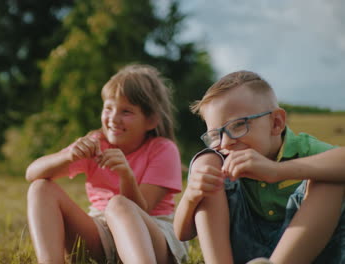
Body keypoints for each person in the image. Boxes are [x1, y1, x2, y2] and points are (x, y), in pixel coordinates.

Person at [173, 70, 345, 264]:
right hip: (244, 252)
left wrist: (277, 171)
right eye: (215, 135)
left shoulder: (306, 149)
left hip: (308, 255)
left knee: (329, 175)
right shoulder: (221, 159)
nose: (226, 142)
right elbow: (182, 233)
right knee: (206, 164)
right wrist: (191, 196)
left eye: (238, 125)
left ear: (276, 123)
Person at [26, 64, 188, 264]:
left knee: (118, 204)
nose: (113, 118)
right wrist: (68, 157)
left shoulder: (163, 150)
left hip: (151, 236)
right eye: (109, 107)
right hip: (101, 231)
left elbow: (142, 209)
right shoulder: (96, 143)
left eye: (126, 111)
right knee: (40, 187)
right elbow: (31, 173)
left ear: (151, 120)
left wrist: (126, 176)